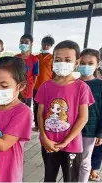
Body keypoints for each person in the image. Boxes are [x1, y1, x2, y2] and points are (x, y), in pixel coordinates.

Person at [35, 40, 95, 182]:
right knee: (49, 177)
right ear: (53, 62)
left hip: (72, 145)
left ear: (76, 62)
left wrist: (66, 141)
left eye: (68, 60)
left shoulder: (82, 87)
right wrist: (44, 137)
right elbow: (40, 113)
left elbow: (83, 117)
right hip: (48, 143)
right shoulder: (45, 86)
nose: (62, 63)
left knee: (70, 179)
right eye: (58, 59)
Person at [77, 48, 102, 182]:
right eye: (82, 62)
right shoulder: (73, 84)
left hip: (90, 131)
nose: (85, 66)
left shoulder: (100, 85)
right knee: (72, 160)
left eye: (90, 63)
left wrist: (100, 133)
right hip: (72, 129)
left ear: (97, 64)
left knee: (85, 162)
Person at [33, 36, 55, 132]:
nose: (45, 46)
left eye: (48, 45)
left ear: (50, 46)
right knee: (36, 106)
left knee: (47, 106)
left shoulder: (52, 58)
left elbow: (54, 73)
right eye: (44, 43)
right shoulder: (36, 57)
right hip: (36, 86)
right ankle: (37, 125)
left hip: (48, 87)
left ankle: (46, 124)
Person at [15, 34, 39, 107]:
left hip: (27, 91)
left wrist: (30, 87)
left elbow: (35, 76)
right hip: (16, 89)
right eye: (22, 42)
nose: (23, 44)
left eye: (26, 42)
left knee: (25, 109)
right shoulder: (16, 58)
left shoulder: (34, 59)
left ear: (31, 44)